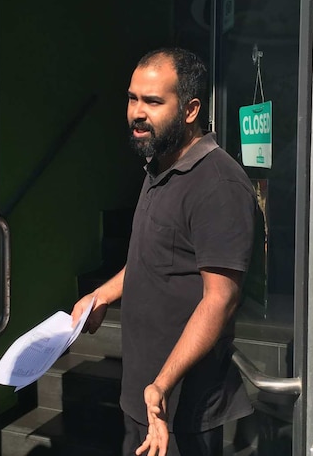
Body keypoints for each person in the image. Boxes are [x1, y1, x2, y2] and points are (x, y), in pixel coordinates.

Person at [72, 48, 256, 456]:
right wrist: (102, 294)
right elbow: (151, 259)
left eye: (153, 102)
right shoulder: (159, 168)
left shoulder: (218, 184)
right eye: (133, 98)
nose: (137, 112)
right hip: (144, 398)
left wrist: (162, 383)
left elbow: (220, 300)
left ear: (190, 110)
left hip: (183, 412)